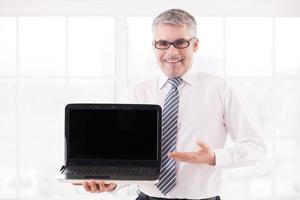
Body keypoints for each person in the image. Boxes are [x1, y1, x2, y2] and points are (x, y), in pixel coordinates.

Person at [75, 8, 267, 200]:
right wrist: (113, 181)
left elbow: (256, 147)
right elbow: (130, 159)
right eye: (163, 43)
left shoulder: (220, 89)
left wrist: (214, 157)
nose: (172, 51)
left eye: (181, 42)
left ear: (195, 45)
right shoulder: (137, 93)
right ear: (154, 46)